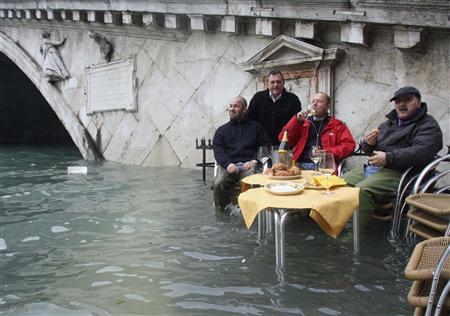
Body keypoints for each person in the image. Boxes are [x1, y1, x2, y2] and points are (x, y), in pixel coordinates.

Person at [343, 86, 443, 220]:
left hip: (403, 172)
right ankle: (343, 222)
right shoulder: (389, 123)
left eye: (407, 100)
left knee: (362, 190)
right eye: (397, 102)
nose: (401, 104)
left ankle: (356, 235)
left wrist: (389, 158)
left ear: (419, 103)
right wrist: (368, 143)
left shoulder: (428, 125)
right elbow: (368, 150)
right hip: (378, 168)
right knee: (340, 183)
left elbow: (422, 152)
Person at [213, 96, 270, 211]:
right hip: (229, 165)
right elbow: (218, 151)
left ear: (244, 109)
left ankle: (251, 210)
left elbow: (265, 146)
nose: (232, 109)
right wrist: (228, 164)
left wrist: (254, 160)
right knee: (218, 184)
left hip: (249, 165)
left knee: (253, 181)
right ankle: (222, 211)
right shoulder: (221, 130)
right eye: (230, 106)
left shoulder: (256, 127)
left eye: (236, 106)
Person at [278, 92, 356, 170]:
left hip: (324, 166)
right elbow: (283, 138)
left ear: (328, 106)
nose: (314, 104)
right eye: (313, 101)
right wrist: (296, 120)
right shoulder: (303, 123)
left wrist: (327, 152)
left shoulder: (337, 125)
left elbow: (349, 146)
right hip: (300, 165)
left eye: (319, 101)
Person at [247, 70, 302, 146]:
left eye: (278, 82)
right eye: (272, 82)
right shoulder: (258, 98)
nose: (275, 85)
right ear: (268, 84)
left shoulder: (293, 99)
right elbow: (250, 121)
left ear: (283, 83)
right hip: (261, 146)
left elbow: (297, 124)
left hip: (285, 145)